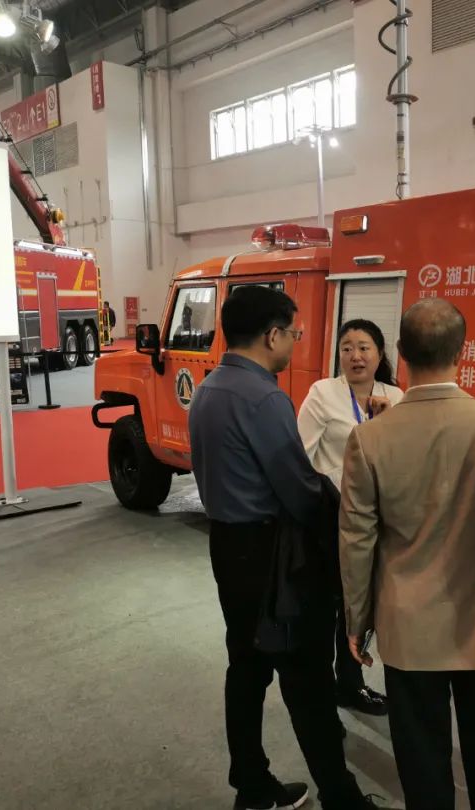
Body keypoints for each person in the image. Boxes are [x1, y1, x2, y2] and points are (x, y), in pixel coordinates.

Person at [338, 298, 475, 810]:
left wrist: (357, 619)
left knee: (421, 755)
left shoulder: (369, 439)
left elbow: (357, 540)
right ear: (462, 352)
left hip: (406, 625)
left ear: (401, 353)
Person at [189, 285, 387, 810]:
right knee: (308, 681)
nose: (296, 343)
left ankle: (252, 787)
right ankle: (341, 799)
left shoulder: (209, 389)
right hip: (273, 557)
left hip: (228, 548)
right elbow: (299, 490)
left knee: (246, 668)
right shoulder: (263, 398)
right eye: (294, 333)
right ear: (272, 334)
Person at [297, 319, 404, 716]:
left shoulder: (395, 397)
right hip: (332, 518)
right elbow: (301, 456)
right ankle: (323, 690)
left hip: (379, 520)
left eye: (364, 347)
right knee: (329, 605)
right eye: (347, 348)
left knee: (359, 604)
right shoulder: (323, 392)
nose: (355, 356)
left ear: (379, 354)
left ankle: (350, 682)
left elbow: (402, 459)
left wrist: (386, 424)